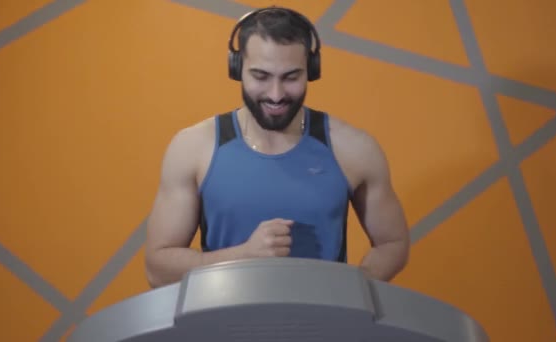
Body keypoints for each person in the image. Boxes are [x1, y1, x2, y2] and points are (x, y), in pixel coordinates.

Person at [144, 6, 410, 287]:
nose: (276, 94)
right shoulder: (193, 148)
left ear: (312, 70)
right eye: (261, 76)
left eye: (291, 77)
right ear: (237, 69)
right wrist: (244, 255)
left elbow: (392, 243)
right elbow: (158, 270)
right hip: (223, 325)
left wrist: (351, 291)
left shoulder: (354, 148)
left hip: (323, 327)